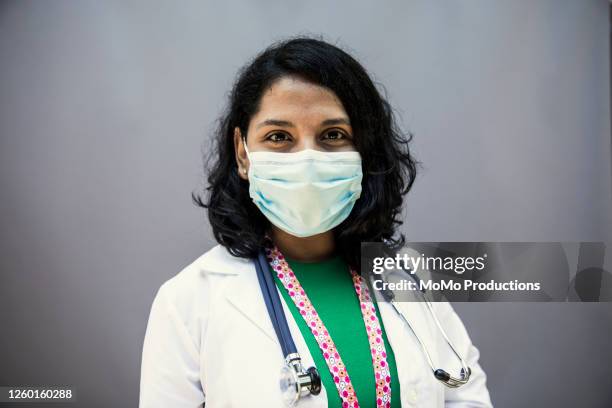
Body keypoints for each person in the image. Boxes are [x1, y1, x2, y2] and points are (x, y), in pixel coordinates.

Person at [139, 36, 493, 408]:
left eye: (333, 135)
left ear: (364, 149)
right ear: (243, 153)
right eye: (279, 137)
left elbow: (466, 398)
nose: (307, 159)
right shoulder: (187, 302)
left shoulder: (408, 275)